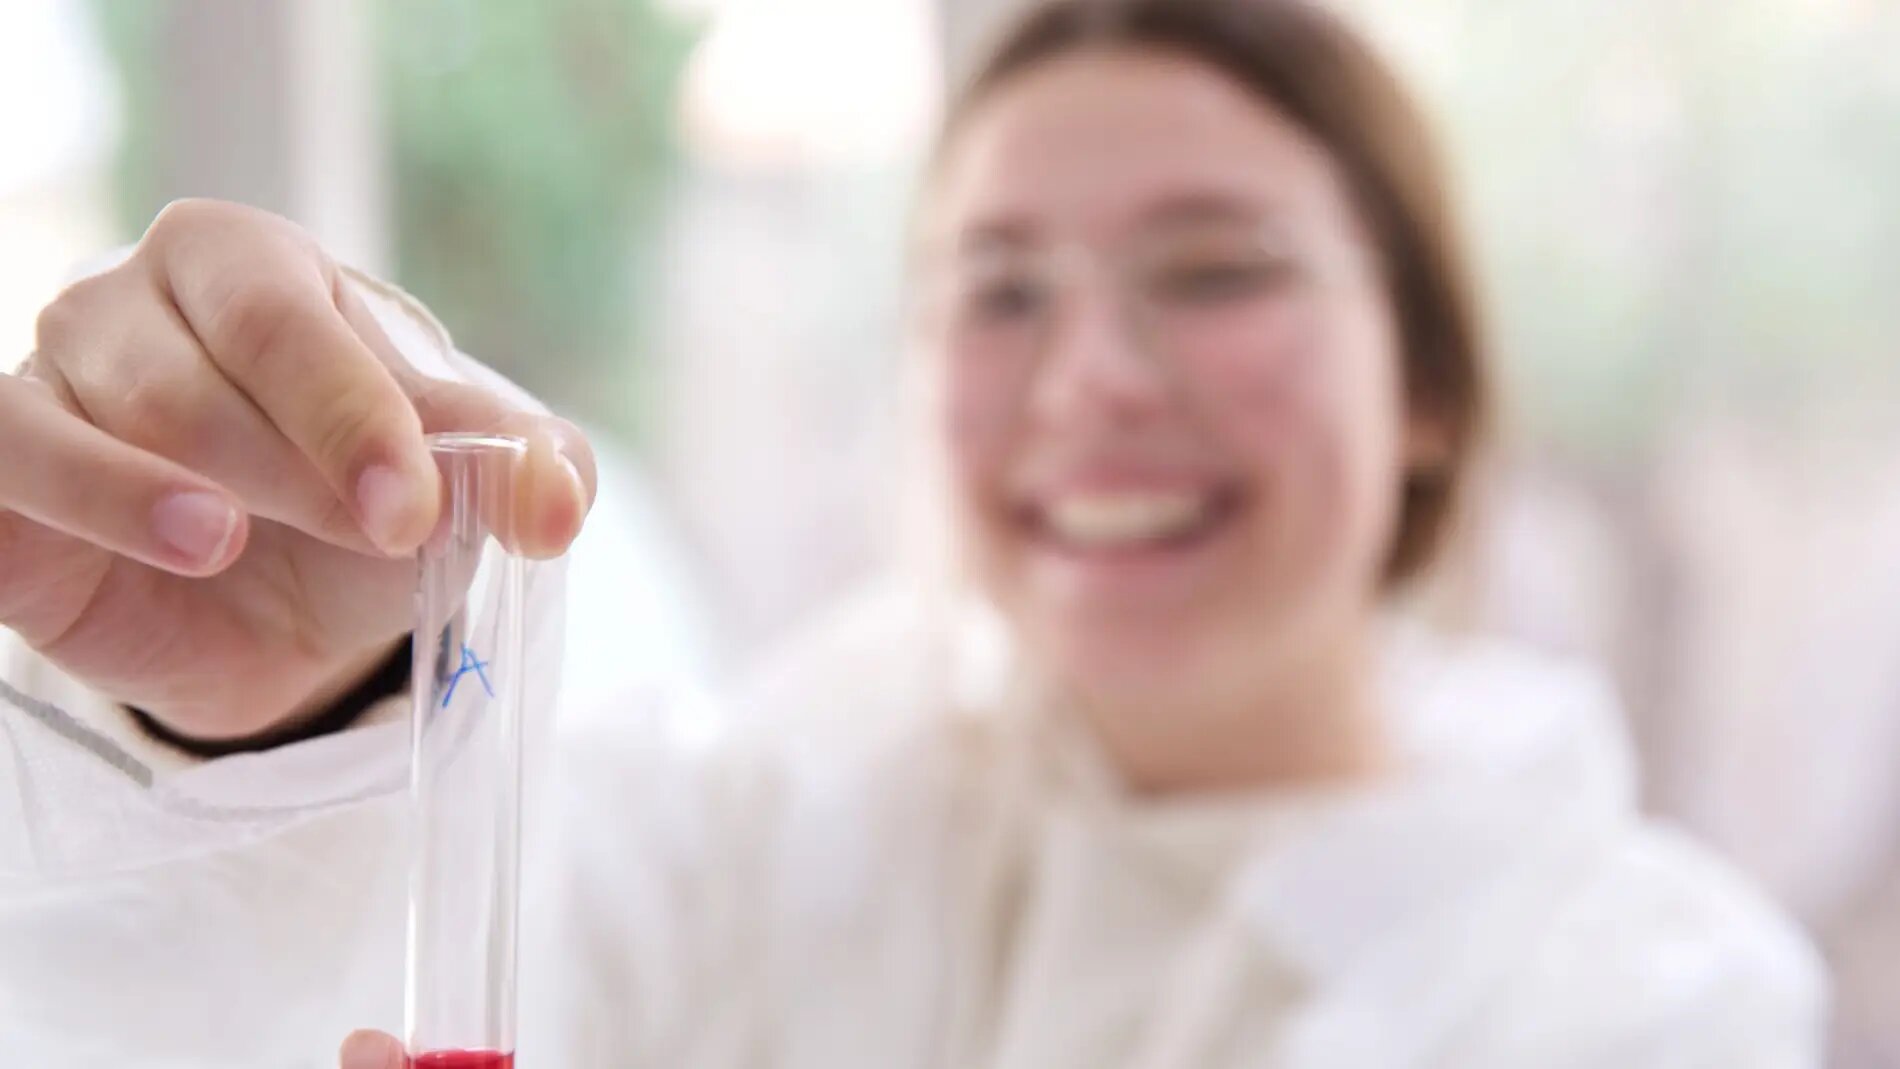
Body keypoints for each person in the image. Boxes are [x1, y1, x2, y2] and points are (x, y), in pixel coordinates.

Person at [0, 0, 1825, 1065]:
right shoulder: (772, 822)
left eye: (1213, 270)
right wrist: (277, 709)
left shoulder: (1653, 1000)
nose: (1090, 381)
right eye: (1000, 291)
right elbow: (252, 983)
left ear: (1425, 372)